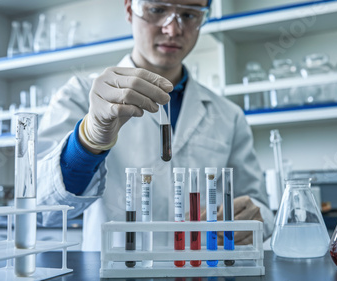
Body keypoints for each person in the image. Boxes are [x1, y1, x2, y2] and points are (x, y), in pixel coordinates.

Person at [37, 0, 274, 251]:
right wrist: (87, 141)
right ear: (130, 9)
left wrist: (258, 219)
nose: (173, 29)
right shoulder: (79, 95)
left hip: (202, 268)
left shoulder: (228, 114)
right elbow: (45, 209)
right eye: (158, 9)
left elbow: (257, 203)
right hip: (118, 269)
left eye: (189, 14)